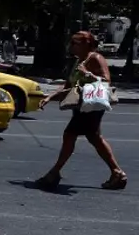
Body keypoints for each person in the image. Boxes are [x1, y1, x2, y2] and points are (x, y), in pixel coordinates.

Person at [36, 31, 127, 190]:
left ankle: (54, 173)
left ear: (86, 44)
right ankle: (117, 172)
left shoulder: (95, 58)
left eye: (74, 43)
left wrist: (88, 74)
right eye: (71, 42)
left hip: (91, 106)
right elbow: (68, 87)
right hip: (82, 106)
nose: (70, 46)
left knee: (69, 135)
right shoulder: (78, 61)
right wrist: (50, 97)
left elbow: (106, 80)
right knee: (95, 138)